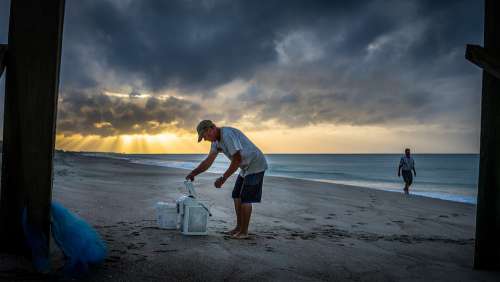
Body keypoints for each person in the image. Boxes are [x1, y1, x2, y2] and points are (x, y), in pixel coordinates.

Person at [186, 120, 268, 239]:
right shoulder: (215, 142)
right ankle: (238, 228)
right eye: (203, 137)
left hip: (256, 164)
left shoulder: (227, 135)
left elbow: (237, 159)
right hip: (245, 167)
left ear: (213, 128)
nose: (206, 139)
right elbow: (208, 161)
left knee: (246, 198)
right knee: (236, 195)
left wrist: (223, 178)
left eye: (206, 135)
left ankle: (244, 232)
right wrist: (194, 173)